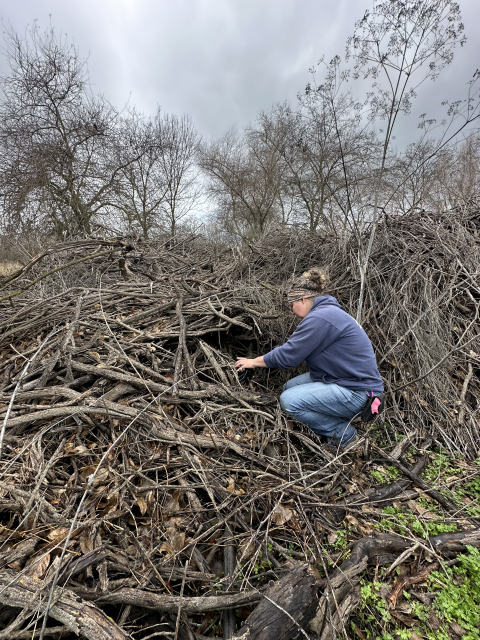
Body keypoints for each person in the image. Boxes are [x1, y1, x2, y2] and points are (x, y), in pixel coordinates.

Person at [235, 268, 383, 448]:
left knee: (289, 401)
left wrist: (252, 362)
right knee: (288, 387)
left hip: (358, 392)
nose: (291, 312)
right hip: (343, 378)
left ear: (303, 299)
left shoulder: (321, 317)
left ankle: (345, 435)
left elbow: (289, 355)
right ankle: (331, 416)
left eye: (291, 306)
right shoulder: (327, 313)